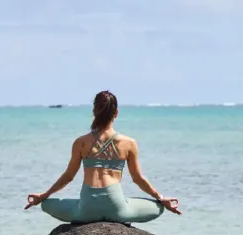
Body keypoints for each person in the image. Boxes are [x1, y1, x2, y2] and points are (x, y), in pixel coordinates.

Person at [25, 91, 181, 223]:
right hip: (116, 208)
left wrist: (44, 195)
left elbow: (68, 176)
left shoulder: (81, 142)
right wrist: (161, 198)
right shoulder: (128, 143)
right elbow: (138, 178)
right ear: (116, 113)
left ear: (94, 111)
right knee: (158, 207)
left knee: (46, 205)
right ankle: (125, 212)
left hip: (86, 209)